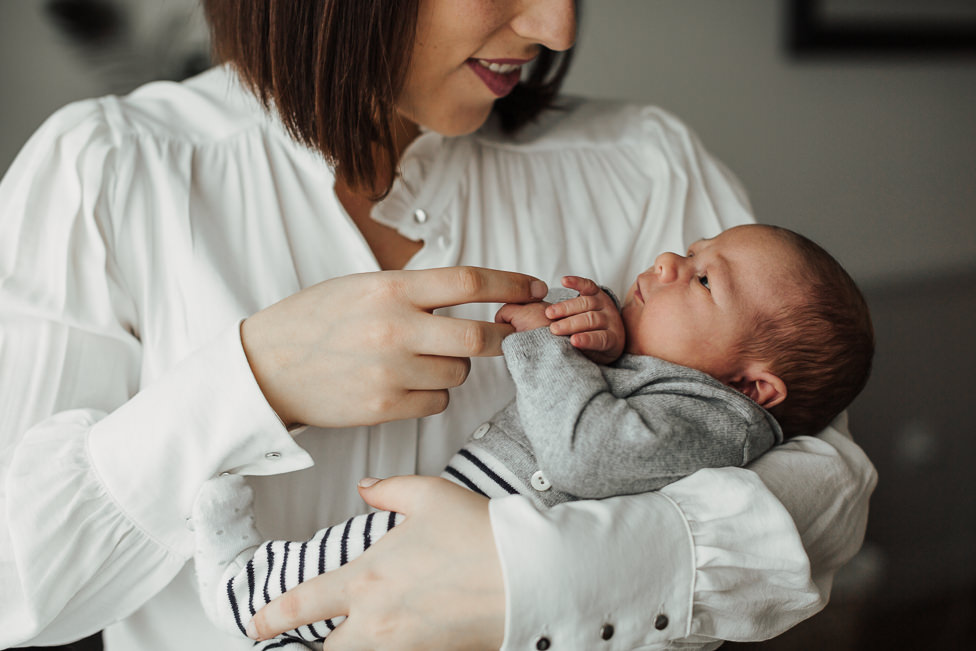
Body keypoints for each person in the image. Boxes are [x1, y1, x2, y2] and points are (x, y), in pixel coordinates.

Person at [0, 2, 877, 650]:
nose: (558, 28)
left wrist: (540, 576)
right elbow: (16, 588)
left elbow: (827, 487)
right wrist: (249, 381)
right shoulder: (107, 175)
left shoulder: (645, 164)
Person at [192, 223, 874, 647]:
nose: (667, 258)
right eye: (693, 248)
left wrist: (546, 343)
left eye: (701, 278)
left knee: (361, 560)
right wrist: (604, 347)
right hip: (483, 531)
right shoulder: (688, 393)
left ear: (755, 389)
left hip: (493, 539)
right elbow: (628, 415)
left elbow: (592, 451)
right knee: (361, 583)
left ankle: (242, 589)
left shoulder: (720, 424)